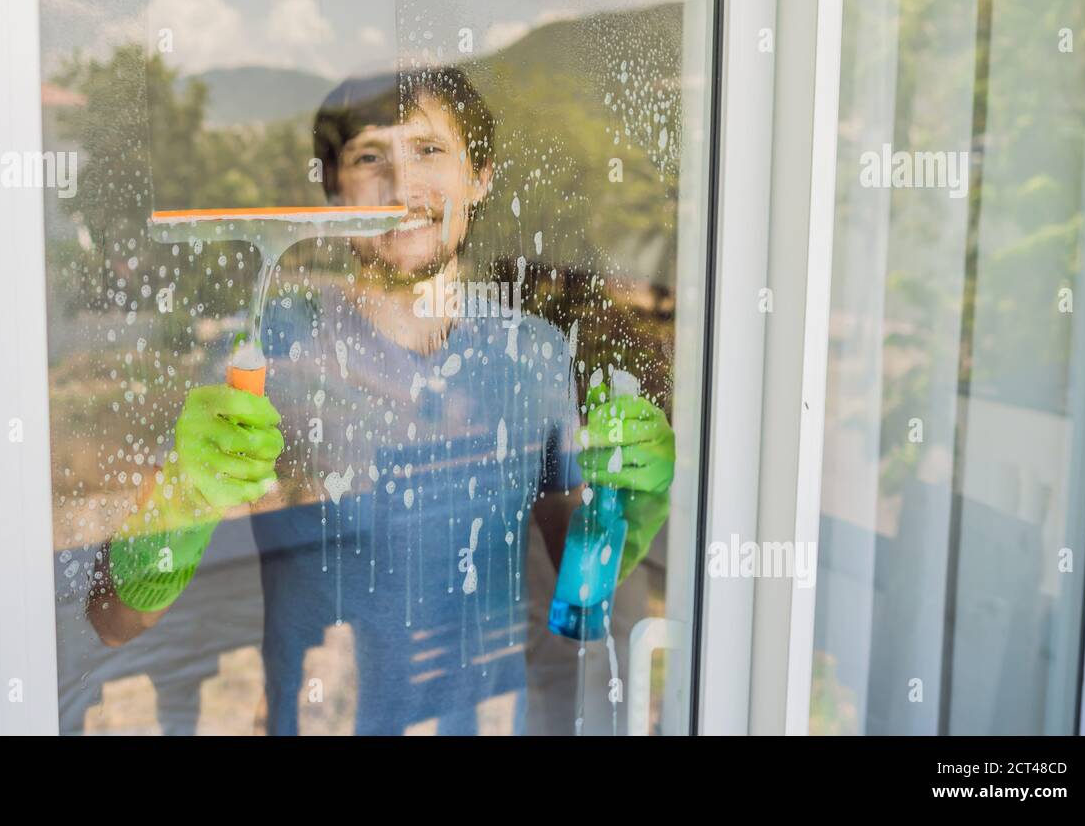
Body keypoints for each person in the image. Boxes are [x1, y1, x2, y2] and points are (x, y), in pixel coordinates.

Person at [87, 66, 674, 735]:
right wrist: (182, 500)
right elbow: (114, 620)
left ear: (479, 176)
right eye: (370, 157)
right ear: (334, 188)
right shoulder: (264, 352)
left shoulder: (534, 353)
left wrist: (630, 506)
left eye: (428, 149)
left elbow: (581, 599)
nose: (401, 185)